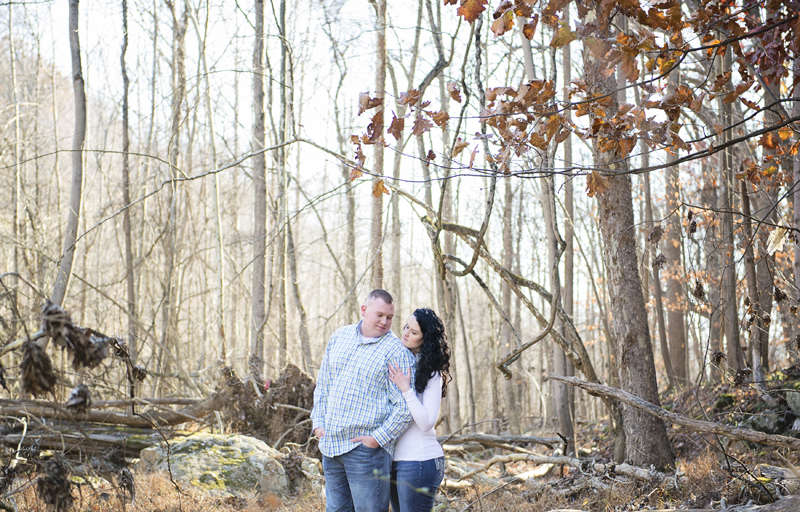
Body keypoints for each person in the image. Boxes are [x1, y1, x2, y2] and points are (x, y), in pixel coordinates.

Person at [311, 289, 416, 512]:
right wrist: (318, 422)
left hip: (366, 453)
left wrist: (377, 439)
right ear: (364, 310)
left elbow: (406, 407)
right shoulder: (339, 336)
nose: (384, 321)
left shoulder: (396, 352)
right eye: (379, 315)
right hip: (331, 445)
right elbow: (324, 384)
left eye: (390, 317)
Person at [387, 308, 451, 512]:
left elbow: (426, 422)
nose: (406, 333)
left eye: (414, 332)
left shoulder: (432, 373)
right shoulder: (402, 362)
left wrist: (406, 388)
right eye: (406, 327)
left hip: (420, 461)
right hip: (394, 460)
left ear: (426, 339)